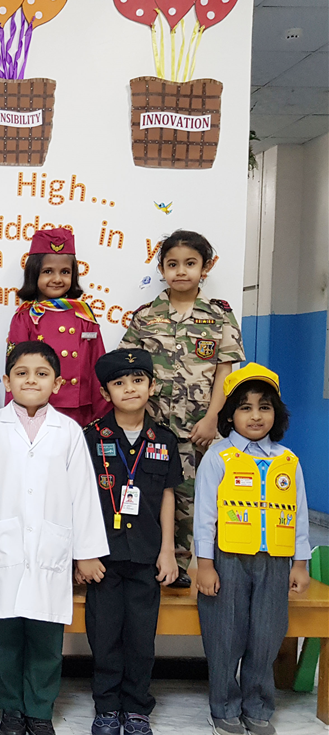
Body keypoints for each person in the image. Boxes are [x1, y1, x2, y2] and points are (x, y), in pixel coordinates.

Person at [0, 340, 108, 735]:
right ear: (7, 381)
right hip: (2, 546)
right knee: (5, 637)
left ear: (57, 383)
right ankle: (11, 708)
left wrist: (86, 552)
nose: (31, 380)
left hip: (50, 547)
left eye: (42, 374)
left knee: (46, 639)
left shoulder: (69, 432)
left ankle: (40, 711)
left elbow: (83, 493)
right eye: (22, 373)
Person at [194, 363, 311, 735]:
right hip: (227, 561)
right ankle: (224, 709)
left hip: (275, 562)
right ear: (230, 415)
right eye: (245, 407)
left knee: (266, 636)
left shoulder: (287, 461)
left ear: (276, 413)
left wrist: (300, 563)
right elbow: (205, 515)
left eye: (264, 407)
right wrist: (205, 565)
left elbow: (299, 515)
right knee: (225, 638)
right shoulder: (218, 456)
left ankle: (258, 709)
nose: (256, 415)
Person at [122, 229, 246, 588]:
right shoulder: (146, 316)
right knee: (146, 494)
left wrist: (212, 419)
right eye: (172, 264)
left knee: (190, 500)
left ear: (205, 268)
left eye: (190, 263)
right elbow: (129, 369)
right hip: (152, 426)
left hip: (198, 429)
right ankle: (145, 561)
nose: (181, 271)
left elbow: (225, 374)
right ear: (162, 269)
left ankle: (178, 564)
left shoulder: (219, 316)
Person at [80, 349, 182, 735]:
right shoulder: (91, 438)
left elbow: (168, 496)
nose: (129, 389)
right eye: (119, 383)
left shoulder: (165, 440)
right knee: (104, 635)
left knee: (141, 638)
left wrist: (168, 550)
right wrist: (84, 553)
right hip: (102, 557)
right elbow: (80, 499)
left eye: (138, 380)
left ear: (151, 386)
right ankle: (106, 705)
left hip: (146, 555)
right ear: (106, 393)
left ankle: (137, 707)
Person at [7, 228, 109, 427]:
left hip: (80, 411)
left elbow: (98, 366)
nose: (57, 279)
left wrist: (102, 418)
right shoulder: (26, 317)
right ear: (33, 273)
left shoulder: (84, 315)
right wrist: (14, 418)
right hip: (37, 409)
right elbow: (15, 370)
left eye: (65, 272)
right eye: (48, 271)